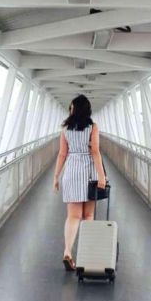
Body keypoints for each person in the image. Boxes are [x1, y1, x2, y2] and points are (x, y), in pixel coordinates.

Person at [53, 94, 106, 271]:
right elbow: (96, 152)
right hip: (89, 172)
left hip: (72, 171)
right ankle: (87, 254)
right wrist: (102, 176)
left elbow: (62, 154)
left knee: (73, 216)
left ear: (74, 109)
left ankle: (67, 252)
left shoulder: (65, 129)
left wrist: (56, 177)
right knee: (88, 215)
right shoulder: (93, 127)